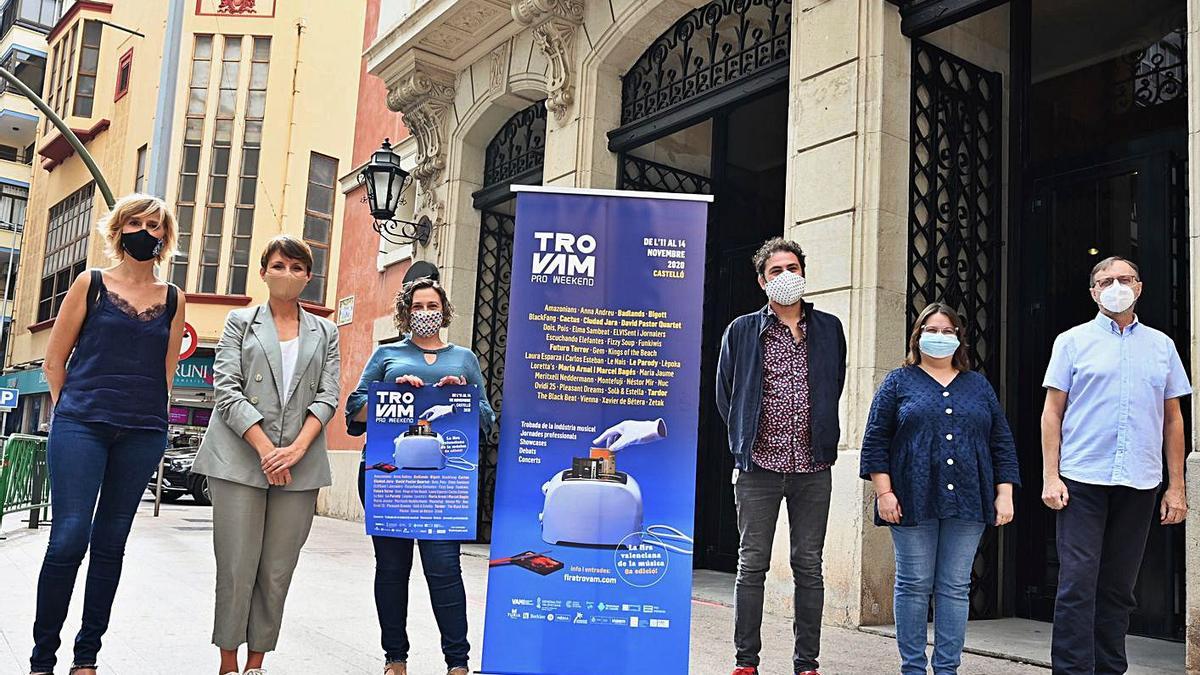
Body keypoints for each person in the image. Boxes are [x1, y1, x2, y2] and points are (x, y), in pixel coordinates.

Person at [30, 194, 185, 675]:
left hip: (142, 432)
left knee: (111, 542)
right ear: (119, 231)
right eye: (136, 222)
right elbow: (53, 362)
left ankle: (86, 657)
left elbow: (167, 373)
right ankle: (42, 659)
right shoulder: (89, 283)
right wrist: (74, 409)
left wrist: (155, 421)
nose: (146, 230)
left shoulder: (174, 298)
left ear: (165, 237)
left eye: (155, 225)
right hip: (82, 425)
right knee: (69, 538)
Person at [192, 235, 342, 675]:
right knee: (237, 567)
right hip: (239, 459)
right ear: (263, 272)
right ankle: (228, 661)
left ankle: (256, 662)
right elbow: (226, 390)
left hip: (301, 463)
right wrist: (266, 450)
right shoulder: (241, 322)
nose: (287, 275)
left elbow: (329, 393)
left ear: (308, 277)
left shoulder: (325, 331)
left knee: (277, 570)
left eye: (297, 268)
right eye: (278, 266)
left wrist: (294, 450)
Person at [1041, 256, 1189, 675]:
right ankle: (1072, 670)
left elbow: (1173, 417)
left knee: (1119, 587)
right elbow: (1052, 412)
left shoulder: (1161, 346)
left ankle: (1109, 668)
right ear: (1093, 292)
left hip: (1139, 479)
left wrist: (1176, 486)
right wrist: (1050, 475)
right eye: (1106, 280)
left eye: (1125, 279)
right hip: (1081, 478)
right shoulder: (1071, 341)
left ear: (1139, 287)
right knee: (1077, 583)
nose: (1116, 285)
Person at [860, 303, 1020, 675]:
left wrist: (1005, 492)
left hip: (969, 499)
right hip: (911, 499)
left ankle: (947, 669)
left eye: (948, 331)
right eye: (932, 329)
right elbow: (875, 442)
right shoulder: (898, 382)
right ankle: (913, 668)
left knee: (954, 586)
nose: (940, 337)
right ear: (918, 336)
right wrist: (884, 493)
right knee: (913, 584)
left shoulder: (977, 385)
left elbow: (1001, 442)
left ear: (959, 339)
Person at [345, 277, 495, 675]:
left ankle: (457, 663)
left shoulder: (464, 358)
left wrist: (463, 396)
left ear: (444, 311)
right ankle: (395, 659)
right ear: (405, 312)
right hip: (389, 477)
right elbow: (354, 412)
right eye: (417, 306)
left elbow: (487, 420)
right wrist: (387, 389)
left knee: (445, 569)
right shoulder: (388, 355)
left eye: (432, 306)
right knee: (392, 570)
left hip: (442, 484)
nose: (425, 313)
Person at [716, 237, 847, 675]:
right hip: (759, 467)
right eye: (777, 271)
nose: (787, 276)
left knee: (808, 565)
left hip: (813, 467)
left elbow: (833, 385)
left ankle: (806, 662)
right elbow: (726, 395)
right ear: (762, 281)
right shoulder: (740, 330)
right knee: (751, 564)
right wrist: (745, 437)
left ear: (804, 274)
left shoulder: (829, 328)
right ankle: (745, 662)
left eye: (793, 268)